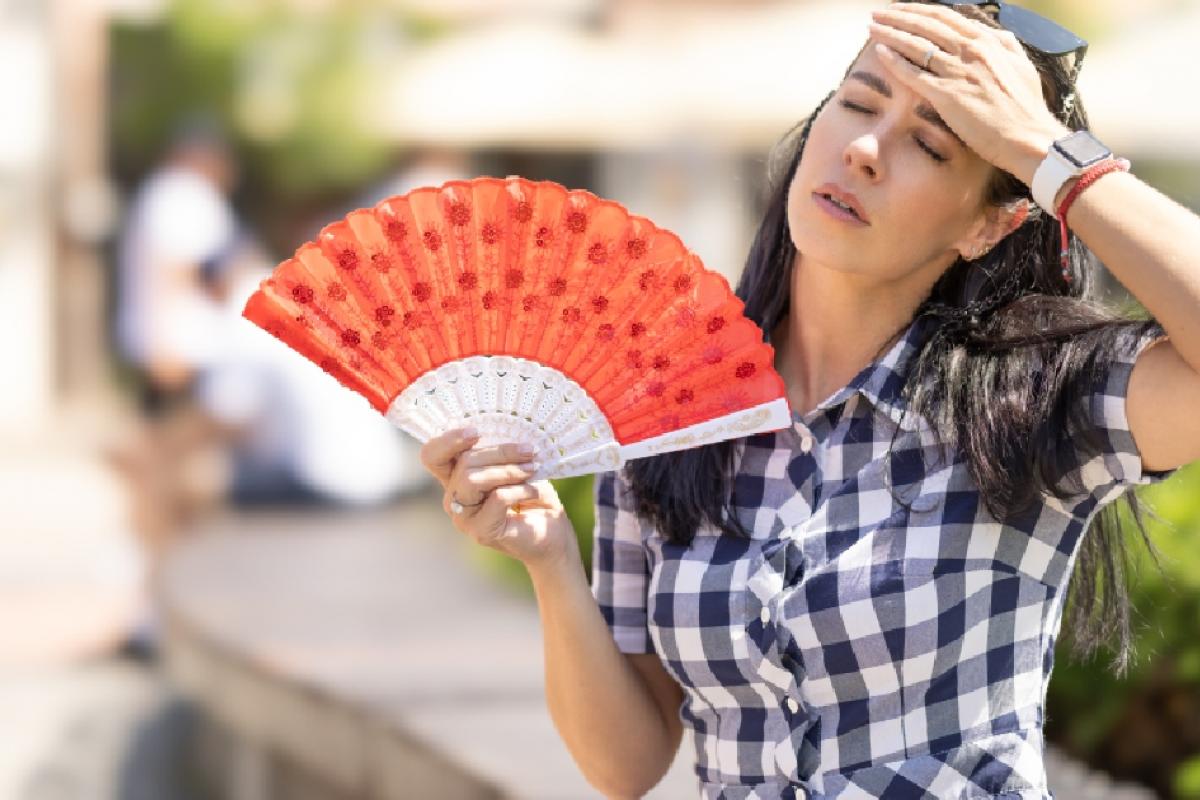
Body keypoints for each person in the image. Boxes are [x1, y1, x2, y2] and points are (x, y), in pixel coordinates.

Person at [417, 2, 1200, 797]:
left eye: (930, 144)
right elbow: (626, 762)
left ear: (989, 227)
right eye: (857, 103)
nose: (864, 150)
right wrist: (548, 561)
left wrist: (1044, 152)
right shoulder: (670, 404)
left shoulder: (1033, 400)